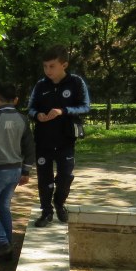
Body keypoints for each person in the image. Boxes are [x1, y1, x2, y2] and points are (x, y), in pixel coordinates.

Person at [27, 44, 90, 227]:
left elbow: (85, 107)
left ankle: (59, 203)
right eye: (45, 66)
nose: (48, 70)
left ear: (64, 65)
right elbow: (30, 108)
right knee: (44, 179)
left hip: (65, 140)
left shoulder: (76, 82)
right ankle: (46, 212)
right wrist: (36, 115)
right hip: (43, 140)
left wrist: (63, 111)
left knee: (65, 177)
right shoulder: (40, 86)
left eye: (52, 66)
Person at [0, 83, 35, 262]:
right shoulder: (23, 120)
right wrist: (26, 170)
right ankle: (8, 244)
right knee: (4, 206)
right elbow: (30, 146)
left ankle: (3, 243)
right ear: (16, 100)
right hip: (15, 170)